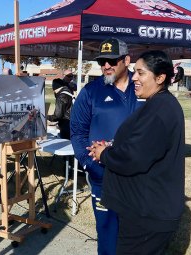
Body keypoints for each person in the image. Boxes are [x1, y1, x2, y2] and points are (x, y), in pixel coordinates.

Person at [89, 50, 184, 254]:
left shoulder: (160, 110)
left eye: (141, 73)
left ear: (160, 78)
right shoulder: (158, 105)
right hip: (145, 211)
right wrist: (112, 146)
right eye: (134, 72)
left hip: (148, 216)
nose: (134, 78)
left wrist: (104, 154)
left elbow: (133, 158)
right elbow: (143, 146)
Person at [70, 38, 142, 255]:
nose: (106, 66)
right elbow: (78, 132)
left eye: (112, 60)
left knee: (136, 235)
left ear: (126, 60)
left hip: (138, 177)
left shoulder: (142, 88)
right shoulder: (91, 91)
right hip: (104, 177)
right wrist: (88, 164)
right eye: (102, 61)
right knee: (108, 233)